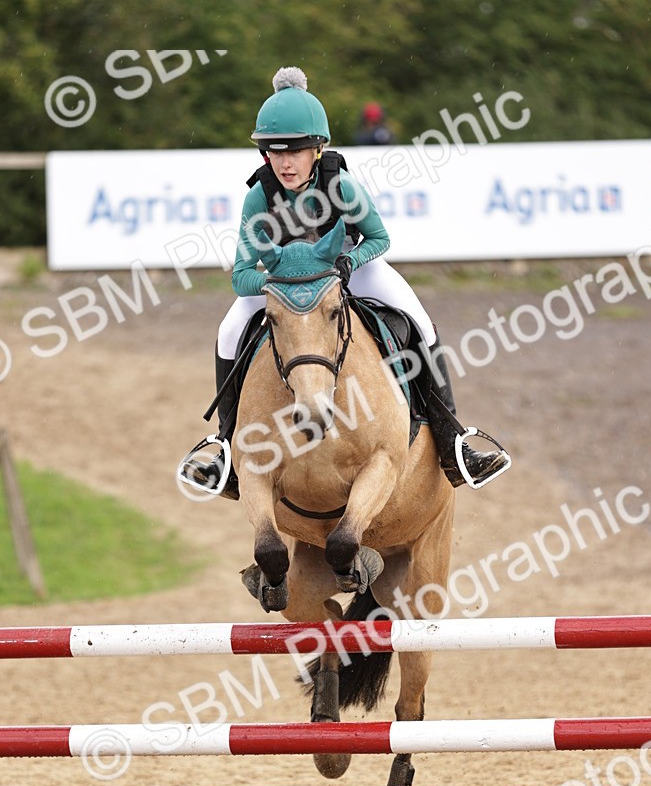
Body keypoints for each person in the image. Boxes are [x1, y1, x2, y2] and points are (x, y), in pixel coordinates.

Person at [181, 67, 509, 499]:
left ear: (318, 149)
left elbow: (379, 238)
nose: (284, 163)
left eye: (295, 151)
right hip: (282, 286)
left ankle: (452, 442)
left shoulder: (342, 185)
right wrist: (280, 283)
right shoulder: (258, 196)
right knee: (228, 332)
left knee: (421, 323)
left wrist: (349, 262)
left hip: (349, 270)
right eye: (274, 152)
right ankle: (226, 451)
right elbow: (242, 275)